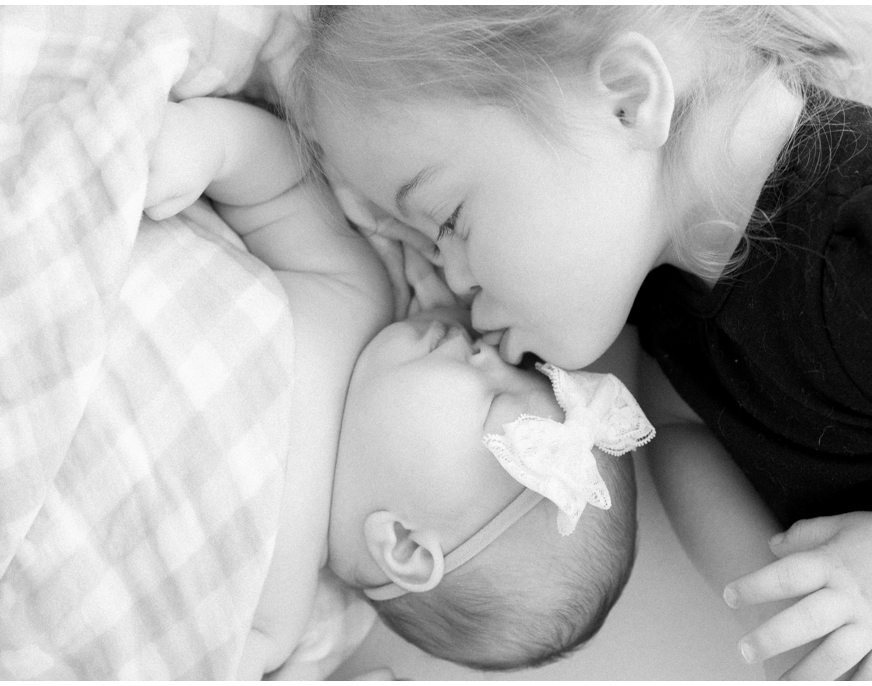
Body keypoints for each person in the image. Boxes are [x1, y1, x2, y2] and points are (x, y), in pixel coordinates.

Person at [290, 6, 872, 680]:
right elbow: (680, 430)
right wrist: (796, 619)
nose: (453, 279)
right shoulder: (667, 304)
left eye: (447, 223)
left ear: (626, 100)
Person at [145, 96, 645, 677]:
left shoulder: (275, 621)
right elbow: (280, 189)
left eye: (495, 397)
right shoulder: (353, 301)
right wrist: (207, 141)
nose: (489, 352)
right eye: (518, 368)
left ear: (405, 545)